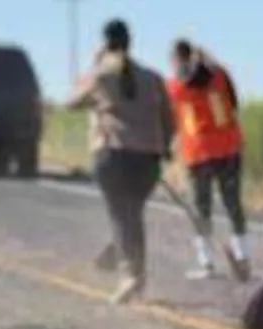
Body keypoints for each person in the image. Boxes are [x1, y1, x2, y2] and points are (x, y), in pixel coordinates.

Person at [67, 19, 174, 304]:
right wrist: (166, 147)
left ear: (106, 42)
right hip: (149, 160)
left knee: (122, 215)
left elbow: (71, 102)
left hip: (113, 154)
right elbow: (169, 119)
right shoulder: (153, 77)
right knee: (131, 215)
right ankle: (125, 259)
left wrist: (95, 66)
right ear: (130, 42)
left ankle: (131, 274)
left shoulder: (101, 75)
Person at [167, 40, 250, 282]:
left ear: (176, 60)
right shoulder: (220, 75)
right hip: (229, 148)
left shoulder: (174, 86)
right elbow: (233, 103)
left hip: (198, 152)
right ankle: (243, 256)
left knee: (201, 210)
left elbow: (171, 121)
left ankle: (207, 263)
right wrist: (210, 59)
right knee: (233, 204)